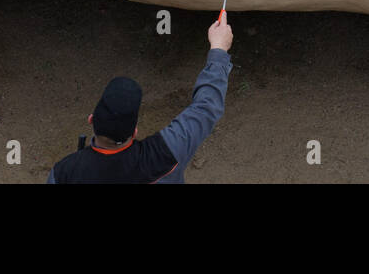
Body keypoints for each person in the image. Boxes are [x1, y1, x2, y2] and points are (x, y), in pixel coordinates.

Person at [48, 14, 234, 183]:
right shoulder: (163, 154)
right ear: (135, 131)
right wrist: (218, 49)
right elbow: (206, 107)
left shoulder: (63, 173)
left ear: (91, 120)